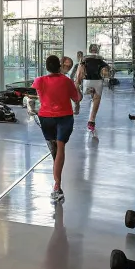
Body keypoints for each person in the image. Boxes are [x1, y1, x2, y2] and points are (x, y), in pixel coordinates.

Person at [33, 54, 82, 203]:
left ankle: (57, 182)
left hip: (46, 118)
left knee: (54, 148)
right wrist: (77, 87)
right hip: (64, 117)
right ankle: (56, 185)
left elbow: (40, 97)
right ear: (60, 66)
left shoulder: (39, 81)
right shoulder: (67, 81)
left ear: (47, 67)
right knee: (60, 148)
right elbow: (77, 98)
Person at [76, 43, 109, 134]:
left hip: (87, 81)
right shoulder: (100, 60)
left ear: (90, 50)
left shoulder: (84, 59)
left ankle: (78, 109)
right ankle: (91, 120)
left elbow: (79, 72)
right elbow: (106, 71)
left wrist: (77, 82)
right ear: (97, 50)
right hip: (98, 81)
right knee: (96, 99)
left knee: (86, 98)